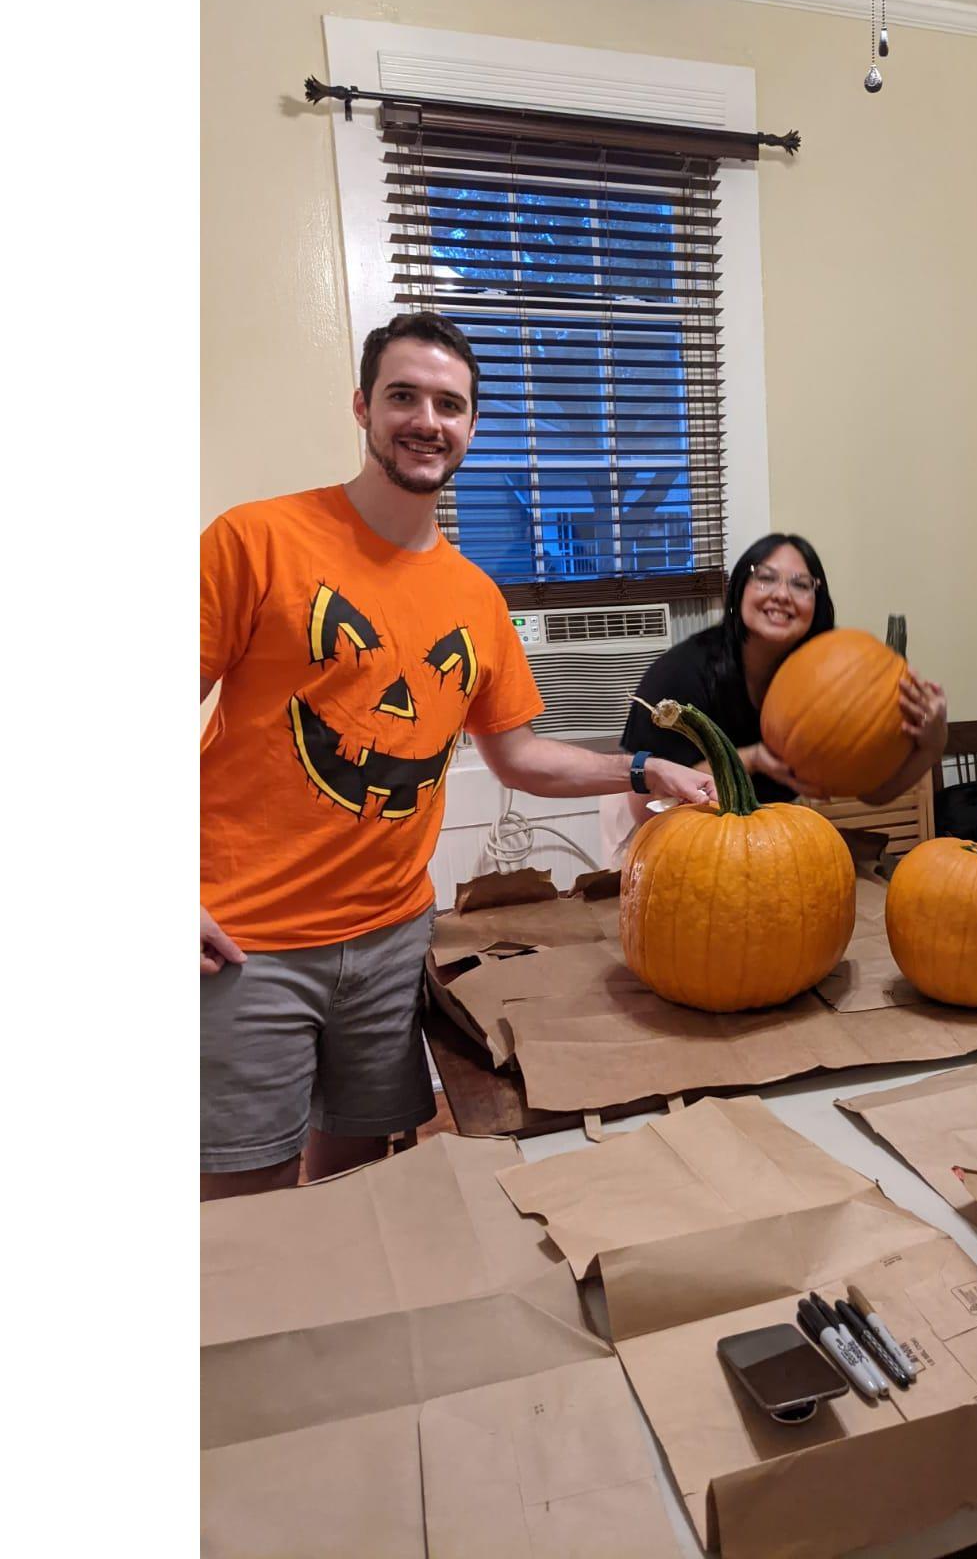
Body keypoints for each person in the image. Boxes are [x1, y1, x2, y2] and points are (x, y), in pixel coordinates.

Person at [200, 313, 713, 1201]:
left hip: (394, 935)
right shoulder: (255, 543)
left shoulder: (476, 598)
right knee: (244, 1213)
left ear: (472, 427)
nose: (426, 419)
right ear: (363, 406)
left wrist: (641, 770)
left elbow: (517, 758)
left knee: (358, 1186)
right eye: (403, 395)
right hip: (248, 944)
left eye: (450, 403)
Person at [615, 533, 948, 839]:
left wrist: (931, 745)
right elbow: (646, 803)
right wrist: (753, 758)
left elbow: (871, 791)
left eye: (801, 585)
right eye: (766, 578)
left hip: (774, 847)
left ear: (816, 603)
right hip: (684, 847)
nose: (782, 594)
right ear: (740, 588)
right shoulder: (681, 674)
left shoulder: (824, 671)